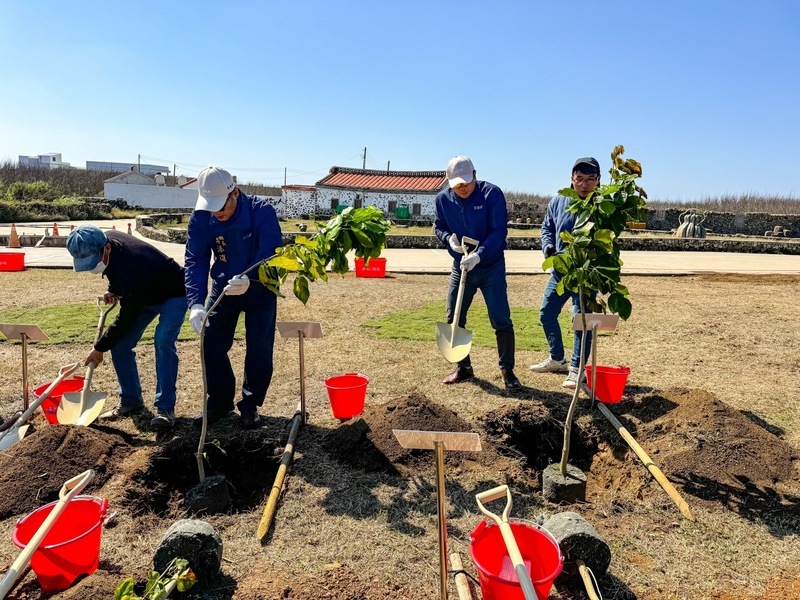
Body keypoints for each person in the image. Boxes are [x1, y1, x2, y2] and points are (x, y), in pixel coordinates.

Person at [184, 166, 283, 429]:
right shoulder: (201, 217)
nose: (218, 213)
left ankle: (250, 405)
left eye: (222, 207)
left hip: (260, 289)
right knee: (211, 341)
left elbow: (273, 255)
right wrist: (195, 302)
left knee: (259, 347)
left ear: (235, 193)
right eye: (212, 208)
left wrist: (251, 279)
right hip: (224, 287)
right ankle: (219, 402)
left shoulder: (261, 212)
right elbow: (196, 259)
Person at [65, 225, 187, 429]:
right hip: (143, 293)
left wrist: (99, 347)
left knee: (163, 342)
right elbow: (116, 273)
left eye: (93, 261)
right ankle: (131, 400)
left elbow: (127, 317)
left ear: (107, 248)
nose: (93, 267)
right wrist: (114, 290)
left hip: (174, 292)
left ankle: (165, 409)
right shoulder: (108, 243)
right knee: (120, 346)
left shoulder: (132, 263)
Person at [433, 156, 521, 392]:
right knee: (454, 316)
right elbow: (438, 226)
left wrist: (479, 254)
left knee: (500, 319)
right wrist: (448, 239)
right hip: (461, 267)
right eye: (457, 185)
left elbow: (499, 231)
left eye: (466, 182)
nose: (462, 188)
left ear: (475, 174)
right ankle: (464, 367)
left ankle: (507, 370)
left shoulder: (491, 194)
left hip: (490, 266)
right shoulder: (442, 199)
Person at [530, 157, 601, 388]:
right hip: (561, 271)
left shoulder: (602, 206)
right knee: (546, 314)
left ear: (598, 181)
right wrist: (548, 247)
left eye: (590, 180)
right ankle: (557, 358)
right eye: (579, 179)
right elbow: (547, 227)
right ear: (572, 179)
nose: (584, 185)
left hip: (587, 273)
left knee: (582, 321)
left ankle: (576, 368)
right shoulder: (558, 201)